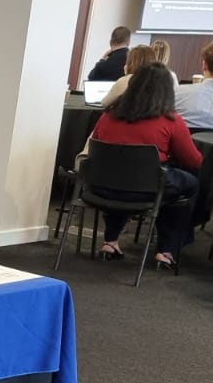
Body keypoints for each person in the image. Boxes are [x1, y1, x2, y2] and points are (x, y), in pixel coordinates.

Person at [85, 62, 203, 270]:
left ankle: (110, 241)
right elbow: (193, 161)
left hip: (101, 187)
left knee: (122, 175)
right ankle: (166, 250)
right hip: (145, 191)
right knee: (187, 185)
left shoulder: (107, 116)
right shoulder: (171, 121)